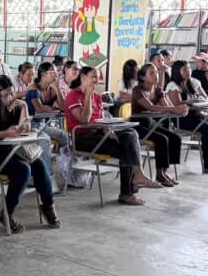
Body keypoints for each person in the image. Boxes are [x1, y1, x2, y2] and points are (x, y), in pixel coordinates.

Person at [0, 76, 60, 233]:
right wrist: (3, 133)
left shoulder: (13, 106)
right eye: (6, 95)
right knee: (22, 169)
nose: (10, 98)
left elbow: (24, 128)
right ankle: (6, 213)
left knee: (38, 164)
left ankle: (48, 205)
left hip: (7, 150)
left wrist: (24, 105)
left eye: (12, 93)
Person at [65, 66, 159, 205]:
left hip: (99, 132)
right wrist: (88, 97)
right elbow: (84, 120)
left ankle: (136, 178)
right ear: (83, 77)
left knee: (130, 134)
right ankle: (128, 191)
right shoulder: (74, 95)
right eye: (93, 77)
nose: (97, 80)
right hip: (82, 138)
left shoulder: (97, 96)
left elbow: (102, 118)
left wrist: (110, 131)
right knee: (125, 150)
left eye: (98, 77)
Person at [166, 60, 208, 175]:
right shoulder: (173, 85)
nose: (188, 71)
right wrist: (191, 102)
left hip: (199, 114)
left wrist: (200, 101)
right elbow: (176, 105)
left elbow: (205, 97)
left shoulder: (195, 82)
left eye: (189, 68)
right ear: (177, 71)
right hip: (182, 118)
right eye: (184, 69)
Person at [131, 63, 186, 187]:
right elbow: (151, 107)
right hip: (138, 126)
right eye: (151, 73)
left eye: (156, 72)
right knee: (162, 139)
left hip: (152, 124)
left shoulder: (157, 90)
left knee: (175, 138)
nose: (156, 75)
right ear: (143, 77)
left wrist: (179, 110)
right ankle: (159, 174)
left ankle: (164, 171)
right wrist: (175, 109)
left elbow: (167, 107)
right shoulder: (137, 90)